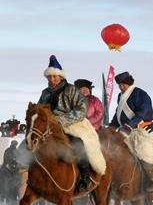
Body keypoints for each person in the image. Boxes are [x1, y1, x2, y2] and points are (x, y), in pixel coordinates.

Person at [37, 55, 104, 193]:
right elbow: (40, 109)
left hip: (71, 124)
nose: (52, 79)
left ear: (61, 76)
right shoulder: (45, 93)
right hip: (49, 126)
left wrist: (62, 120)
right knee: (31, 143)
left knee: (78, 143)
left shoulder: (71, 89)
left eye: (55, 76)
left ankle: (85, 177)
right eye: (49, 77)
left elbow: (82, 108)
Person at [1, 139, 20, 205]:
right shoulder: (16, 151)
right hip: (12, 170)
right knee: (14, 186)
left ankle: (4, 199)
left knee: (5, 186)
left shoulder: (7, 150)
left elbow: (5, 159)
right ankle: (13, 201)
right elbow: (18, 160)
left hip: (5, 169)